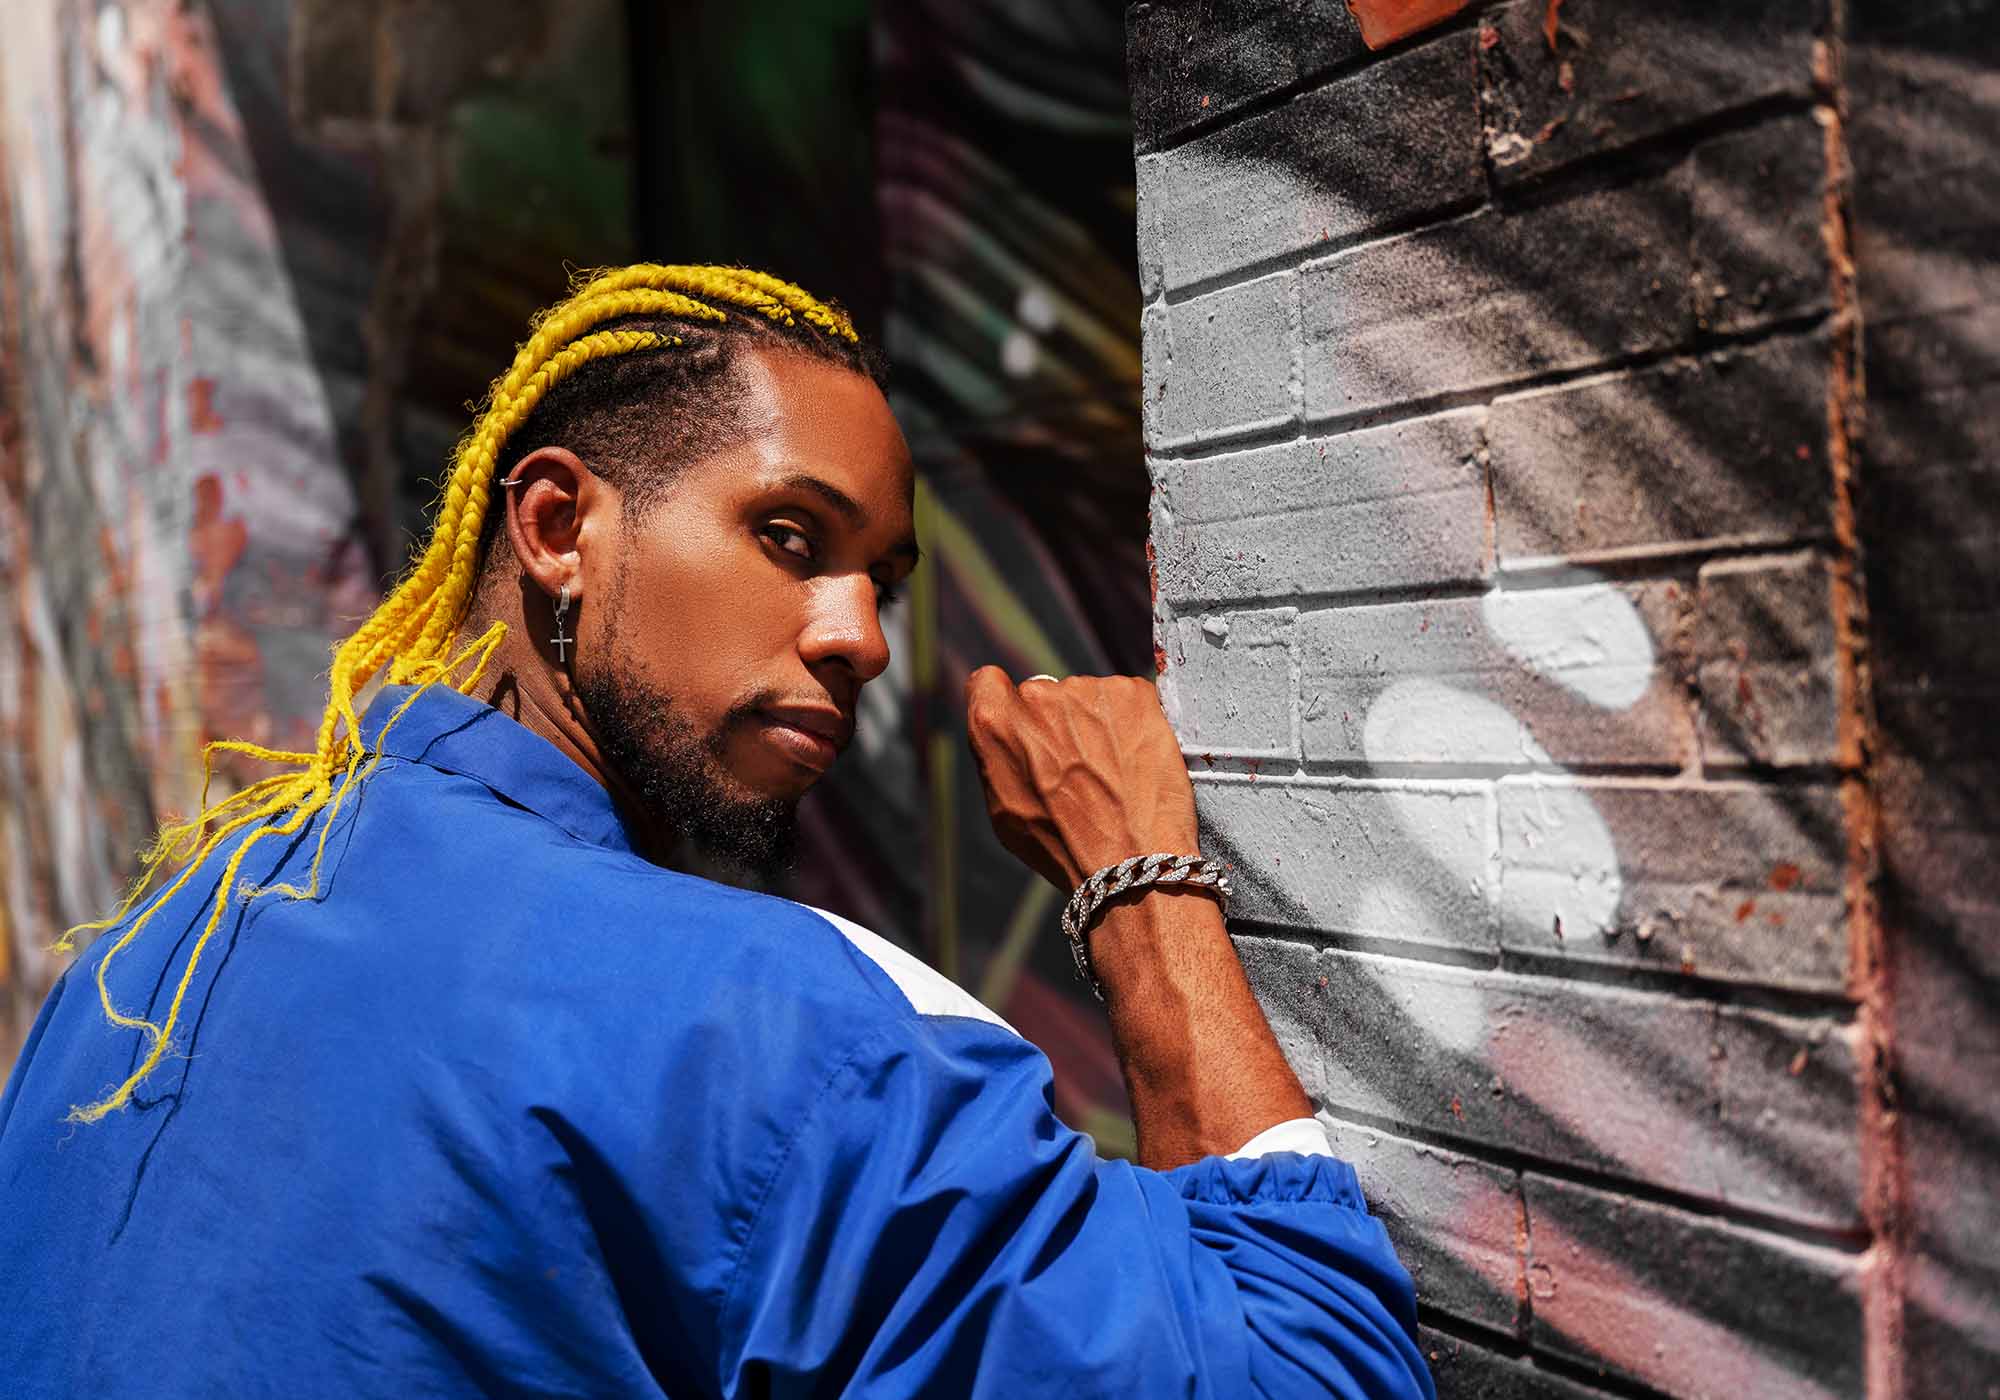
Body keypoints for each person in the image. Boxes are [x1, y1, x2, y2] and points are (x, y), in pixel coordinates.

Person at [0, 265, 1432, 1398]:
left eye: (883, 579)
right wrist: (1141, 886)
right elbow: (1317, 1374)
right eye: (792, 538)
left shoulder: (155, 950)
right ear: (558, 527)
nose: (862, 638)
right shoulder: (779, 1034)